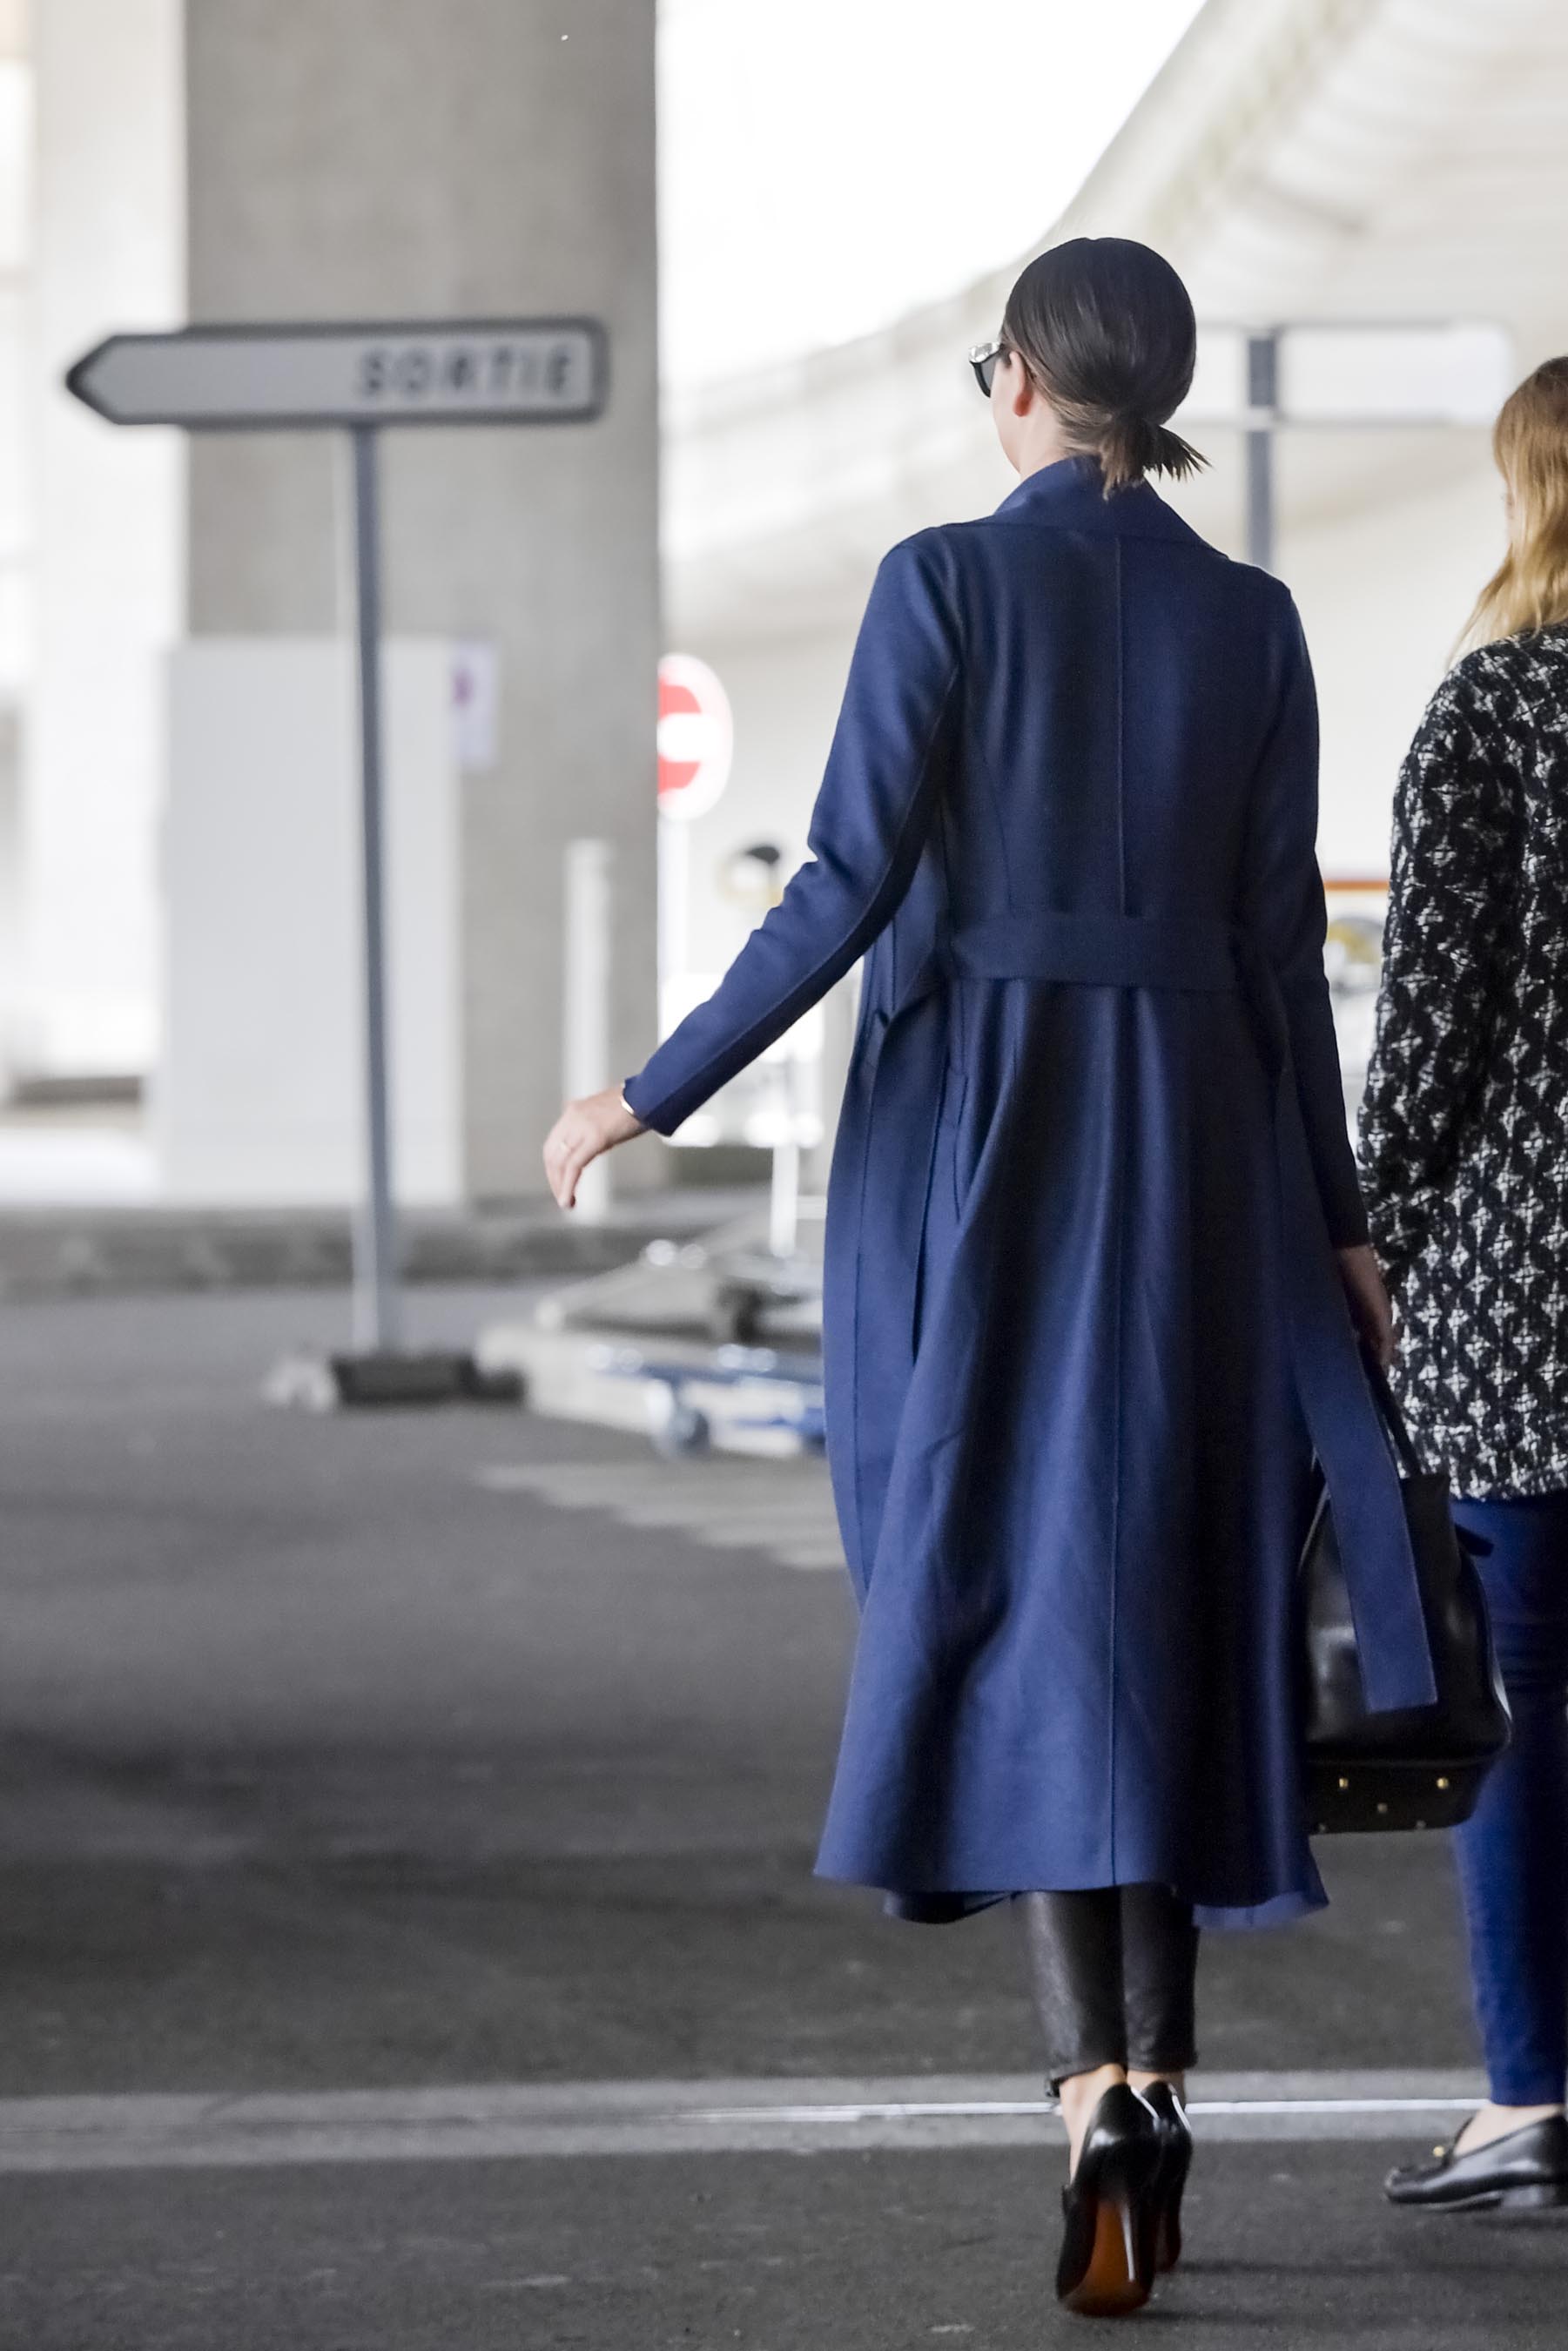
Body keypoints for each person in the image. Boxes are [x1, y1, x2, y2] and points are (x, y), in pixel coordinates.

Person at [544, 237, 1434, 2314]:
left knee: (1014, 1587)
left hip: (987, 1151)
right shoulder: (1256, 618)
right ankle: (1158, 2079)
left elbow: (848, 882)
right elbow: (1278, 958)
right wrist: (1340, 1224)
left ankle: (1087, 2088)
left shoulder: (941, 584)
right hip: (1200, 1145)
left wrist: (644, 1095)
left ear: (1024, 379)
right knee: (1169, 1587)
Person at [1365, 357, 1568, 2217]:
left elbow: (1425, 1040)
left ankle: (1531, 2095)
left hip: (1524, 1312)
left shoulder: (1495, 713)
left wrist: (1381, 1245)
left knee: (1519, 1700)